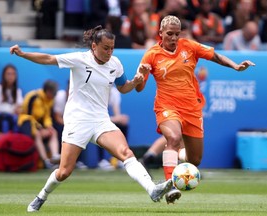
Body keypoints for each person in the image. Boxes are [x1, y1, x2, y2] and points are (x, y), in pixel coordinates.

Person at [10, 25, 173, 212]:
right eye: (106, 48)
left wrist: (136, 82)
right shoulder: (80, 59)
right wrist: (23, 54)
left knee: (126, 153)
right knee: (64, 172)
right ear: (94, 46)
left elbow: (123, 88)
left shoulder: (115, 64)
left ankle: (152, 189)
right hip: (77, 121)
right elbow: (48, 58)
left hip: (101, 121)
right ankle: (42, 196)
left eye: (112, 48)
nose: (109, 52)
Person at [135, 15, 255, 204]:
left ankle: (178, 157)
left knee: (194, 160)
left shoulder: (189, 46)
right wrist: (140, 77)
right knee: (173, 138)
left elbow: (215, 56)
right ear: (160, 33)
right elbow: (139, 87)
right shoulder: (151, 54)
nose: (174, 38)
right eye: (169, 34)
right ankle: (169, 185)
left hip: (191, 108)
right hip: (166, 106)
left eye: (177, 34)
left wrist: (235, 66)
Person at [18, 80, 61, 169]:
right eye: (54, 93)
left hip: (39, 126)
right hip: (26, 123)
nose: (54, 96)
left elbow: (47, 116)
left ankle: (55, 156)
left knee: (53, 132)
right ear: (48, 91)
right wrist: (40, 128)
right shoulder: (32, 96)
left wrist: (48, 127)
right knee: (37, 134)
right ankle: (46, 161)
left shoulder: (50, 100)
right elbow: (28, 116)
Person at [52, 81, 88, 170]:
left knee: (83, 131)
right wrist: (69, 125)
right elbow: (57, 117)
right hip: (60, 123)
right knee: (61, 130)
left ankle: (78, 161)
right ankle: (61, 162)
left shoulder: (82, 97)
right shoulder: (60, 97)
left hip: (75, 123)